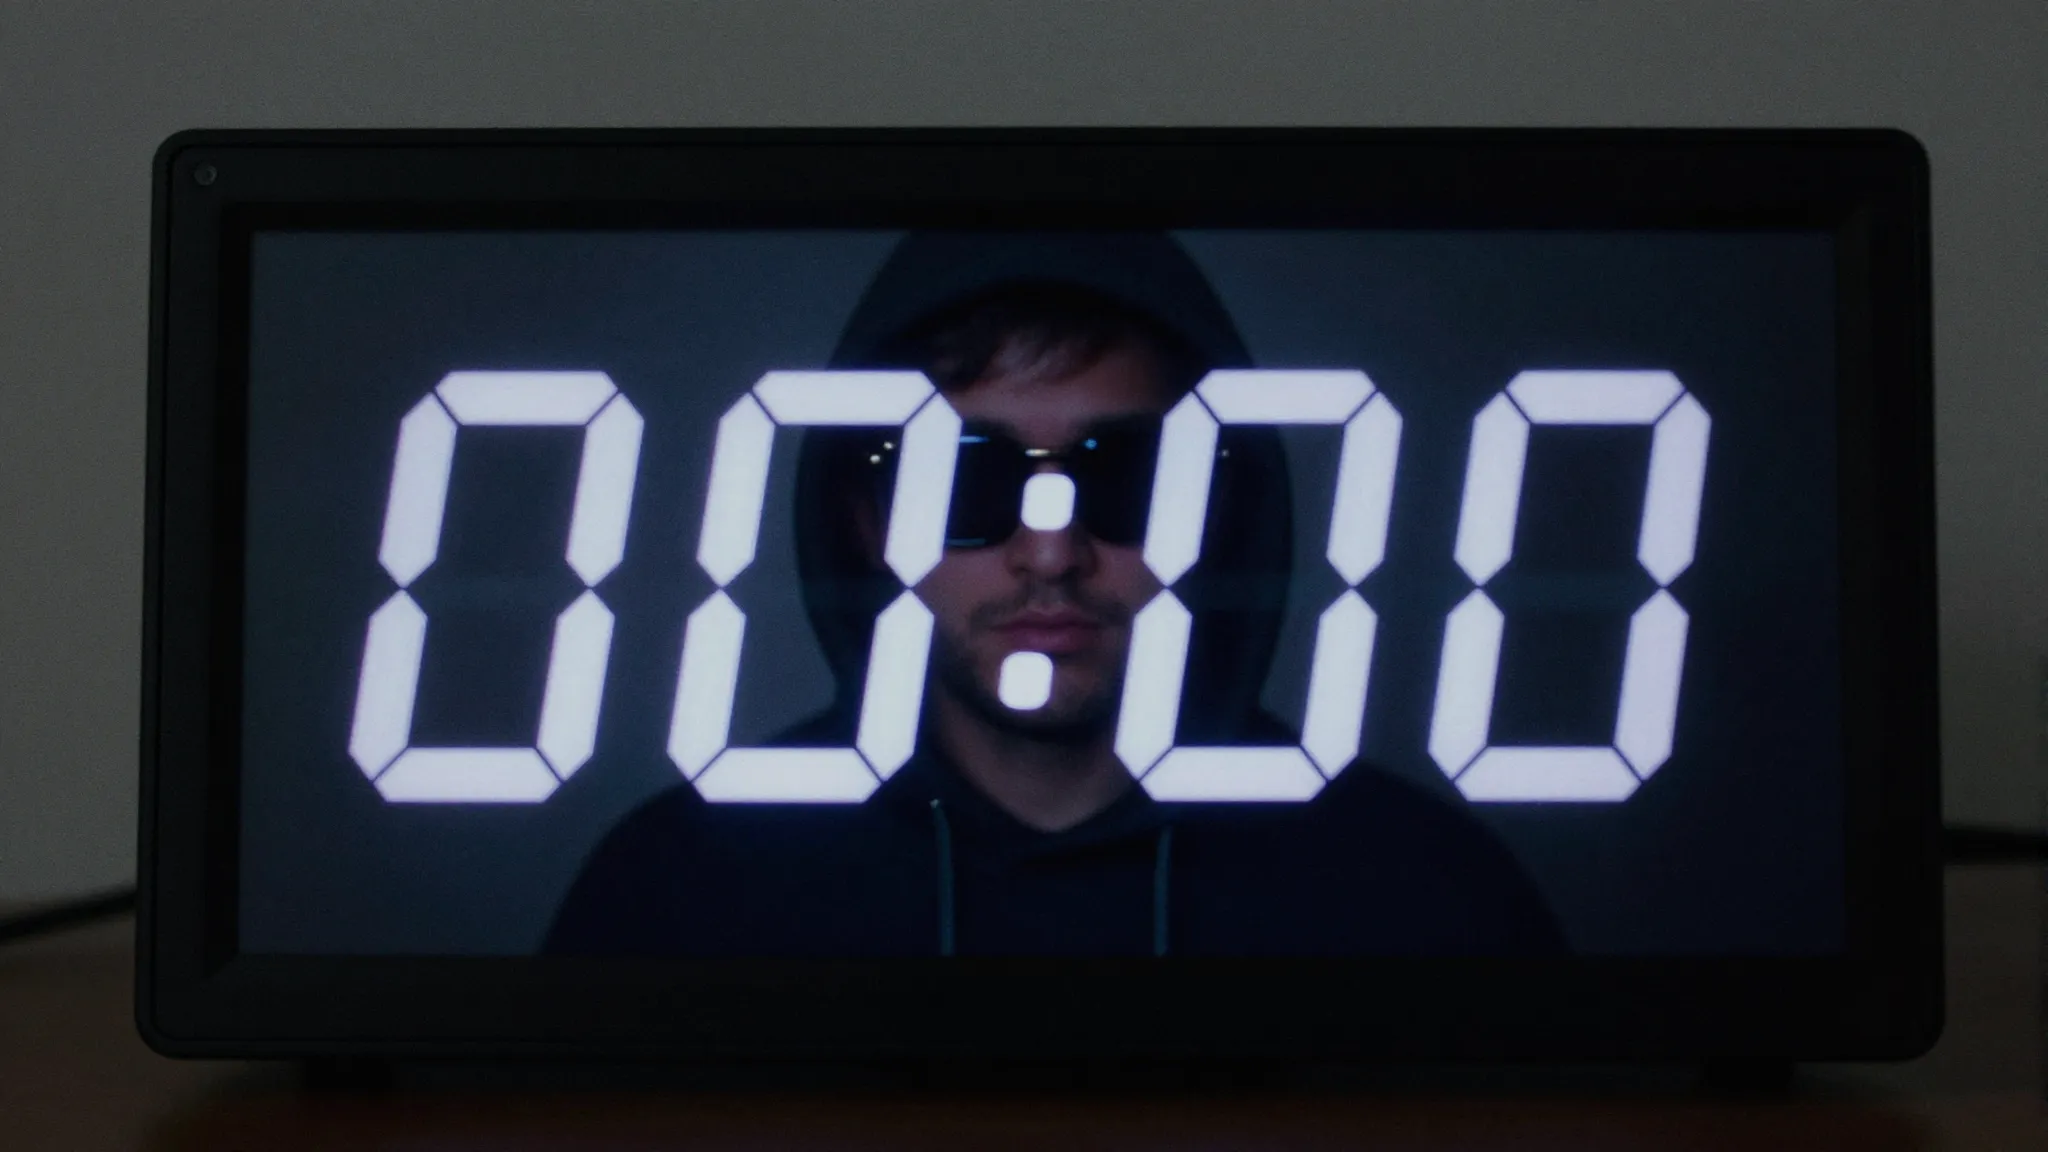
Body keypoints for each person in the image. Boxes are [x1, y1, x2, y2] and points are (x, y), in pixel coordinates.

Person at [546, 232, 1565, 956]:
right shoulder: (675, 892)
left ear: (1215, 504)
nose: (1049, 552)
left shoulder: (1425, 896)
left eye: (1124, 475)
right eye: (967, 480)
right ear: (866, 520)